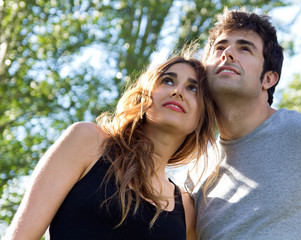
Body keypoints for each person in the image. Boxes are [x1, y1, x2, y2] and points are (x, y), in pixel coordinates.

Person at [4, 51, 216, 240]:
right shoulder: (87, 141)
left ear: (201, 118)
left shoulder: (187, 211)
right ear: (146, 95)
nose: (178, 91)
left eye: (193, 88)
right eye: (168, 81)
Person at [193, 8, 301, 239]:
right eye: (220, 47)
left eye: (245, 48)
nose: (228, 53)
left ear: (268, 78)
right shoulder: (197, 171)